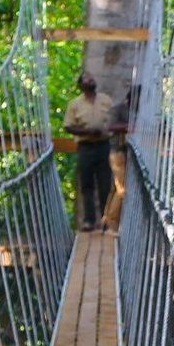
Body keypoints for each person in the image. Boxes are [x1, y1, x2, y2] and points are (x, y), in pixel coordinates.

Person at [63, 72, 118, 230]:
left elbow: (113, 120)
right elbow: (68, 126)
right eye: (87, 78)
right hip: (85, 147)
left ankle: (105, 220)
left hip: (103, 145)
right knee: (87, 184)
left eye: (92, 77)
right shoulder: (74, 104)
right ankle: (89, 220)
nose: (91, 80)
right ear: (81, 85)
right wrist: (87, 133)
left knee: (105, 183)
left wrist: (109, 130)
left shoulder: (106, 100)